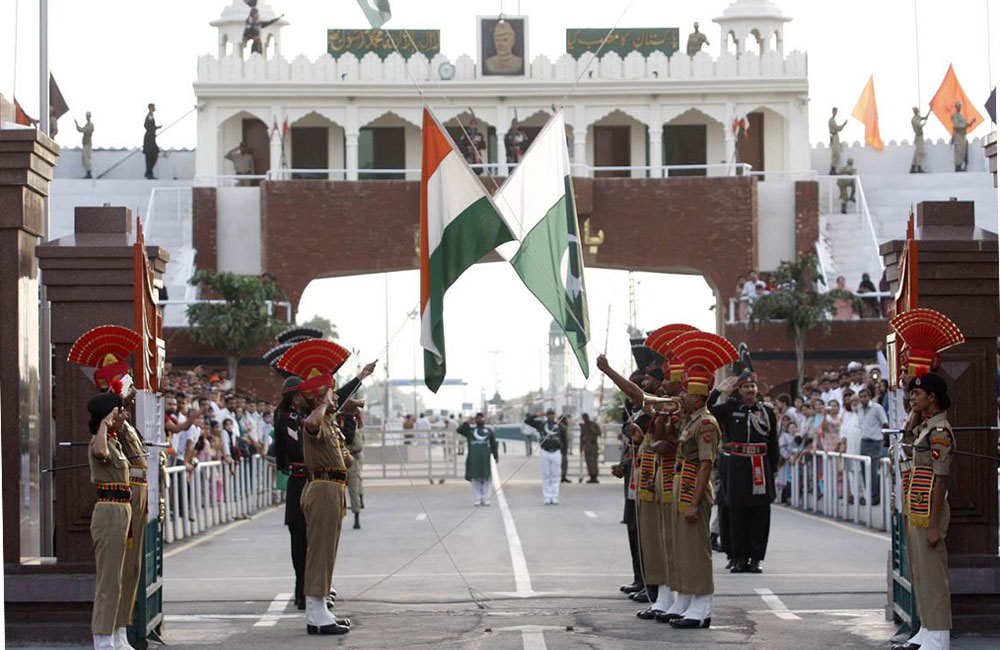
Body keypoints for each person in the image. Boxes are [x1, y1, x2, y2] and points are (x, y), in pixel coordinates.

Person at [276, 340, 357, 636]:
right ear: (319, 397)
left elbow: (346, 460)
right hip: (322, 489)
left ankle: (320, 610)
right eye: (330, 393)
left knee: (326, 551)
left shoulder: (330, 424)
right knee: (319, 552)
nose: (335, 398)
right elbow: (311, 425)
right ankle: (315, 614)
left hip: (333, 488)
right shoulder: (313, 420)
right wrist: (322, 402)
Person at [668, 342, 728, 630]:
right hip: (685, 482)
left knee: (697, 547)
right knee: (685, 547)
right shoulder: (690, 420)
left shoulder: (706, 423)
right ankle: (691, 599)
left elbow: (705, 464)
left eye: (686, 391)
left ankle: (703, 604)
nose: (681, 394)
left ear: (699, 394)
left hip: (695, 487)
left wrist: (693, 502)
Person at [893, 373, 955, 650]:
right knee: (920, 572)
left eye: (917, 394)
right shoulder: (925, 427)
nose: (912, 398)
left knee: (932, 574)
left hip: (929, 509)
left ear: (932, 397)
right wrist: (912, 416)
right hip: (916, 504)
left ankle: (939, 635)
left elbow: (941, 479)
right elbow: (905, 443)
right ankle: (927, 628)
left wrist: (933, 525)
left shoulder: (940, 432)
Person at [709, 370, 778, 574]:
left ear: (757, 389)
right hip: (737, 467)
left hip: (761, 465)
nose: (750, 390)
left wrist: (773, 468)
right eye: (746, 386)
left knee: (760, 513)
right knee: (736, 512)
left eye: (752, 386)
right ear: (739, 390)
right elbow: (706, 411)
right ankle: (738, 557)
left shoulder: (766, 411)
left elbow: (773, 442)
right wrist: (717, 392)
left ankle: (756, 558)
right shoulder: (730, 408)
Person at [87, 392, 132, 650]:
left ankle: (116, 633)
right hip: (109, 512)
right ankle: (102, 639)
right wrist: (104, 424)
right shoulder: (98, 441)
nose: (122, 416)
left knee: (119, 577)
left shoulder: (116, 442)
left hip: (122, 510)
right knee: (108, 579)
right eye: (118, 412)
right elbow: (100, 452)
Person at [456, 413, 500, 506]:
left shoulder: (489, 431)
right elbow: (459, 430)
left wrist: (496, 456)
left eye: (481, 418)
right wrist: (468, 422)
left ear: (484, 419)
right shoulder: (470, 431)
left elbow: (493, 444)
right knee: (475, 479)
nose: (479, 419)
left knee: (486, 478)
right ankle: (477, 499)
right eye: (477, 418)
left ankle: (485, 499)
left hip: (485, 458)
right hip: (473, 458)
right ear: (475, 420)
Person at [525, 409, 564, 504]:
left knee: (555, 475)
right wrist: (536, 414)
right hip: (545, 452)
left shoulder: (559, 426)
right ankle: (547, 496)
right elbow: (527, 421)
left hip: (556, 452)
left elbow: (564, 439)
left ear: (554, 415)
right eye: (548, 414)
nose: (550, 416)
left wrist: (564, 453)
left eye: (552, 414)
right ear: (546, 415)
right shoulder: (541, 424)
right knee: (546, 475)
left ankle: (555, 496)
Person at [856, 387, 887, 506]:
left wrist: (883, 440)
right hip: (864, 441)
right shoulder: (859, 409)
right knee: (864, 470)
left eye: (865, 396)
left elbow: (884, 423)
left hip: (875, 441)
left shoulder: (876, 408)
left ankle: (876, 497)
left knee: (873, 471)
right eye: (861, 397)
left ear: (869, 397)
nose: (863, 399)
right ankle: (868, 495)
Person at [340, 399, 366, 529]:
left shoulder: (354, 427)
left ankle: (356, 516)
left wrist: (346, 449)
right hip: (340, 462)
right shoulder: (340, 424)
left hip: (352, 461)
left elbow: (358, 446)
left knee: (354, 489)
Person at [579, 413, 602, 483]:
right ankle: (591, 476)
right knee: (588, 462)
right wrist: (581, 447)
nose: (585, 419)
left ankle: (595, 476)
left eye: (586, 418)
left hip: (593, 445)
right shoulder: (584, 426)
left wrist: (592, 428)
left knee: (594, 461)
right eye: (584, 418)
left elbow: (599, 433)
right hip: (586, 446)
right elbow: (581, 437)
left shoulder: (594, 424)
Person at [910, 107, 930, 173]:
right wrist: (924, 124)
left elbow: (924, 118)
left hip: (920, 136)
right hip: (918, 136)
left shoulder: (917, 117)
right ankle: (918, 167)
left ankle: (913, 167)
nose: (917, 111)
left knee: (917, 153)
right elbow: (919, 126)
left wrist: (929, 112)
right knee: (919, 152)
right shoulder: (913, 119)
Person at [828, 107, 848, 174]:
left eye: (836, 111)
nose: (835, 113)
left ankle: (834, 168)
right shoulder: (831, 120)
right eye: (834, 111)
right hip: (834, 137)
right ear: (832, 111)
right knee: (835, 154)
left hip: (835, 136)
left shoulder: (833, 120)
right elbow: (837, 128)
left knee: (837, 154)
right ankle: (832, 169)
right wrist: (844, 125)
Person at [75, 112, 95, 178]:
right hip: (85, 144)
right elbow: (81, 130)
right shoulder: (87, 124)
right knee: (84, 159)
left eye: (88, 116)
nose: (87, 117)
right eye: (86, 116)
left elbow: (82, 130)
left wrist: (77, 125)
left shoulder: (90, 125)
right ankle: (88, 172)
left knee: (87, 159)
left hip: (88, 144)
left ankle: (89, 173)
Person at [951, 101, 968, 172]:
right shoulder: (955, 115)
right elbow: (956, 125)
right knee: (958, 150)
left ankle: (960, 165)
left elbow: (966, 123)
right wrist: (964, 125)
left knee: (962, 151)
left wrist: (970, 123)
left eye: (960, 106)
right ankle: (957, 166)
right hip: (958, 135)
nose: (959, 107)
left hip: (962, 135)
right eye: (958, 106)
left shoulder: (961, 116)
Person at [143, 104, 158, 180]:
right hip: (149, 139)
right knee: (151, 156)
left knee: (153, 154)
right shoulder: (150, 115)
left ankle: (149, 172)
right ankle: (149, 173)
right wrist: (153, 130)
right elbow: (146, 125)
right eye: (153, 107)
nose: (155, 108)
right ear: (150, 108)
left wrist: (156, 128)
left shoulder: (151, 115)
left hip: (151, 138)